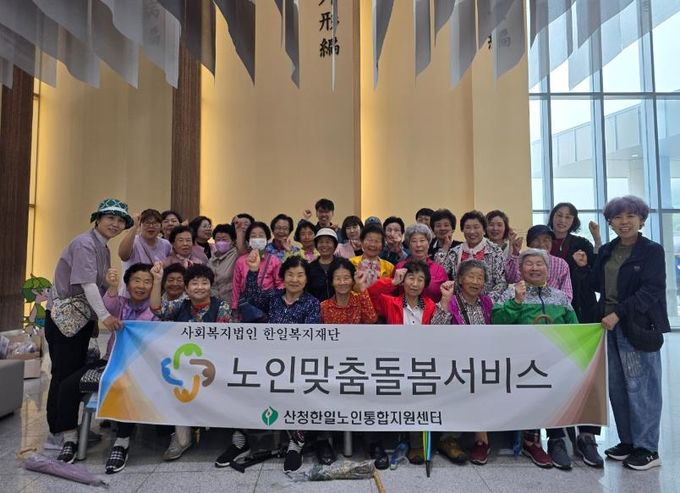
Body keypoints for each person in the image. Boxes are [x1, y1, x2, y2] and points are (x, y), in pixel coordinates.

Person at [574, 196, 668, 471]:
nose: (624, 222)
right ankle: (628, 441)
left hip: (636, 327)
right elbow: (597, 284)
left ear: (641, 220)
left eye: (630, 216)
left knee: (641, 387)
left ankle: (647, 448)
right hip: (608, 326)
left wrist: (619, 313)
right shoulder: (608, 250)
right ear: (610, 222)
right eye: (617, 217)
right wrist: (584, 266)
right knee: (617, 387)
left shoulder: (651, 251)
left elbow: (651, 290)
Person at [45, 199, 132, 448]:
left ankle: (70, 428)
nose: (115, 224)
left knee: (74, 373)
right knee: (63, 375)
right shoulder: (84, 243)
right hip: (65, 320)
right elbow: (88, 285)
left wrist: (94, 319)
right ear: (98, 219)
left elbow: (101, 286)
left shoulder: (102, 248)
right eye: (110, 218)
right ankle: (58, 432)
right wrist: (104, 316)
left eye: (120, 221)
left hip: (81, 319)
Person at [55, 263, 157, 468]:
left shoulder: (155, 308)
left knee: (125, 386)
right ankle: (70, 439)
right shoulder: (120, 304)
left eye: (147, 282)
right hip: (109, 360)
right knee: (66, 386)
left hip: (138, 365)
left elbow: (152, 319)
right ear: (127, 284)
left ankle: (122, 442)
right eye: (136, 280)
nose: (141, 286)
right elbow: (107, 307)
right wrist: (111, 286)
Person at [492, 248, 578, 470]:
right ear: (520, 269)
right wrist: (516, 302)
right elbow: (497, 321)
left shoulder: (560, 297)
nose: (534, 268)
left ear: (548, 269)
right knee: (531, 395)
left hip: (555, 361)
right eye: (529, 264)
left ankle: (557, 441)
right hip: (522, 362)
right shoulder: (510, 293)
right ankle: (532, 442)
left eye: (539, 264)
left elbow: (575, 329)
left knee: (556, 395)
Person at [241, 254, 321, 472]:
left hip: (299, 363)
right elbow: (252, 297)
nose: (295, 279)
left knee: (302, 390)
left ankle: (296, 442)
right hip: (270, 361)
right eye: (290, 274)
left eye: (300, 275)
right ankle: (242, 437)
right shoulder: (274, 298)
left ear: (306, 279)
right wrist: (253, 272)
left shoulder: (312, 303)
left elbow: (310, 335)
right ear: (283, 277)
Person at [150, 263, 235, 464]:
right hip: (183, 367)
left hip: (214, 366)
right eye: (194, 283)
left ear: (211, 286)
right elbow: (157, 309)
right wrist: (157, 281)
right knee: (171, 384)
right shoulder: (180, 305)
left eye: (204, 283)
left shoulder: (221, 306)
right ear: (187, 288)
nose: (199, 287)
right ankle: (182, 439)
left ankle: (234, 434)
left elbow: (224, 340)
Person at [368, 261, 437, 463]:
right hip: (393, 361)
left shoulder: (431, 306)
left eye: (420, 279)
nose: (415, 284)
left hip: (420, 363)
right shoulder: (391, 302)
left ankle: (416, 444)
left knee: (421, 391)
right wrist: (391, 281)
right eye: (411, 278)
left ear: (425, 284)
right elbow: (369, 294)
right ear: (403, 280)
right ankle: (379, 442)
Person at [431, 260, 493, 465]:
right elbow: (435, 329)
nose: (475, 281)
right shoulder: (450, 301)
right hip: (452, 362)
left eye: (480, 278)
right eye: (471, 276)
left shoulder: (487, 303)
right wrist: (445, 301)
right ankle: (459, 439)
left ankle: (480, 440)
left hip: (481, 361)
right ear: (459, 279)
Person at [435, 210, 507, 302]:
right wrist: (445, 248)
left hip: (487, 305)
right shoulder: (455, 252)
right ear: (462, 230)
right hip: (460, 305)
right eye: (468, 227)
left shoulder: (495, 251)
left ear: (484, 230)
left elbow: (502, 283)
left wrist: (487, 301)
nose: (472, 231)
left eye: (476, 227)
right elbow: (438, 274)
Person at [548, 203, 600, 323]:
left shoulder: (582, 243)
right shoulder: (543, 241)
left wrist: (597, 239)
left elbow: (597, 270)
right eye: (559, 215)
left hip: (580, 301)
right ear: (552, 217)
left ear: (574, 221)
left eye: (568, 217)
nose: (562, 220)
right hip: (549, 301)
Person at [505, 225, 573, 302]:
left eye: (546, 240)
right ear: (529, 243)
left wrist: (556, 306)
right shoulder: (522, 260)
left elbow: (567, 295)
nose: (541, 244)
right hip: (525, 305)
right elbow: (510, 278)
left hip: (553, 306)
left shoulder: (561, 264)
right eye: (536, 240)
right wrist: (514, 253)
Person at [231, 221, 283, 311]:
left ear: (267, 239)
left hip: (268, 306)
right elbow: (236, 285)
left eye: (261, 236)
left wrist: (276, 303)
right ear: (248, 240)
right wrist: (234, 306)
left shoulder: (274, 260)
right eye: (253, 236)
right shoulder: (241, 261)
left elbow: (280, 284)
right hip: (247, 306)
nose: (257, 239)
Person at [396, 224, 447, 302]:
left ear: (428, 244)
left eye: (422, 240)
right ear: (409, 245)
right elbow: (393, 293)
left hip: (433, 309)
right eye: (414, 241)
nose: (418, 245)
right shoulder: (400, 266)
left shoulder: (439, 270)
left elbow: (445, 296)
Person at [118, 209, 172, 274]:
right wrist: (134, 227)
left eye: (155, 223)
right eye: (147, 223)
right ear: (140, 225)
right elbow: (123, 256)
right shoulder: (133, 241)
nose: (151, 226)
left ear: (161, 226)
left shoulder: (166, 244)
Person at [350, 224, 394, 289]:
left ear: (382, 245)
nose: (373, 245)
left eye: (377, 241)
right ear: (362, 241)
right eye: (369, 240)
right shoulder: (350, 263)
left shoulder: (389, 268)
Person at [208, 223, 239, 303]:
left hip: (232, 303)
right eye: (218, 239)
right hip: (213, 303)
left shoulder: (237, 256)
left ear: (233, 241)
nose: (221, 242)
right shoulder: (211, 260)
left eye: (224, 239)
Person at [306, 228, 339, 301]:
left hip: (339, 307)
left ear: (335, 245)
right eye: (321, 242)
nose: (324, 245)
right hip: (316, 307)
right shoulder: (310, 268)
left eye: (328, 242)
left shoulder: (342, 265)